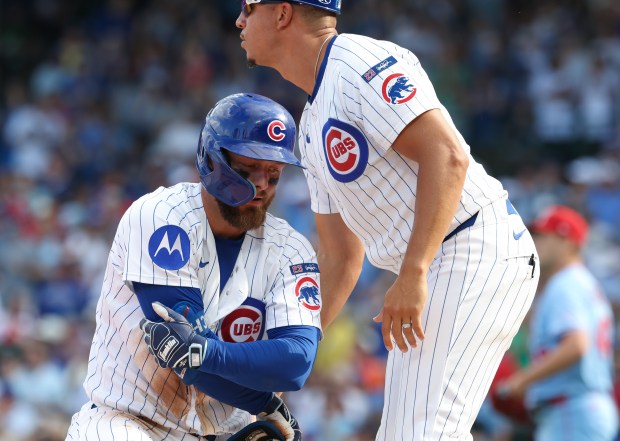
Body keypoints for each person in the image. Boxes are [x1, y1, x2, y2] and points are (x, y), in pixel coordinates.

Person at [235, 2, 541, 439]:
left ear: (283, 13)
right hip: (444, 258)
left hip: (471, 247)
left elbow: (447, 155)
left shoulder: (358, 62)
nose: (239, 21)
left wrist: (414, 270)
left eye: (248, 7)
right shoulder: (310, 120)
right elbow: (341, 257)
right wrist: (289, 348)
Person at [65, 93, 322, 441]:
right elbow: (179, 353)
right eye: (248, 169)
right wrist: (262, 399)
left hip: (222, 431)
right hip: (127, 421)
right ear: (210, 159)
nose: (262, 184)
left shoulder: (291, 249)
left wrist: (211, 354)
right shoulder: (161, 216)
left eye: (274, 172)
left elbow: (295, 363)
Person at [498, 206, 618, 440]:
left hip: (571, 409)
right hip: (581, 409)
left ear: (568, 243)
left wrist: (522, 380)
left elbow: (576, 345)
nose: (536, 243)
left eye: (545, 236)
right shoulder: (580, 282)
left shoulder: (565, 284)